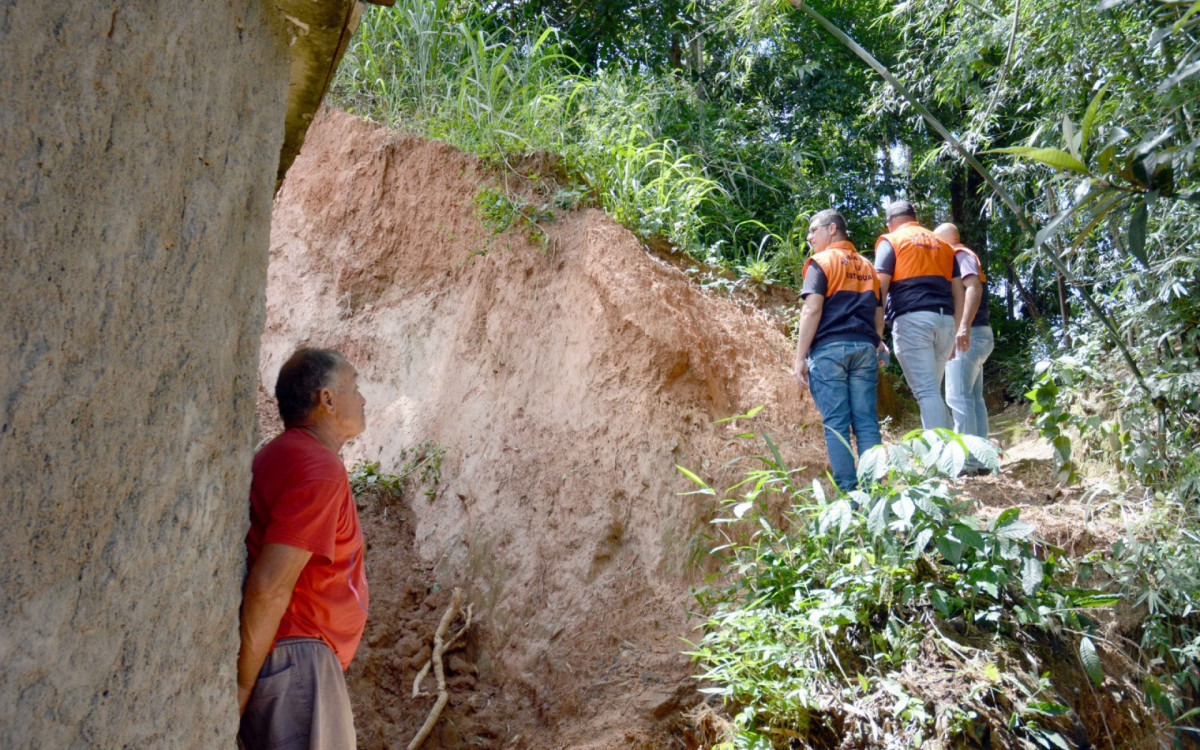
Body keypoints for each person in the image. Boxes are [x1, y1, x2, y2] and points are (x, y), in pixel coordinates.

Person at [238, 347, 370, 750]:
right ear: (326, 399)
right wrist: (238, 690)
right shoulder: (318, 468)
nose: (362, 398)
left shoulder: (279, 456)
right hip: (299, 658)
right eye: (354, 386)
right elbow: (269, 586)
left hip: (288, 660)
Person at [794, 209, 886, 492]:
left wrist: (799, 357)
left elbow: (812, 309)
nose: (809, 237)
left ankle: (849, 494)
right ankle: (874, 492)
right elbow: (879, 311)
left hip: (830, 351)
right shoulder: (868, 267)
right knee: (867, 423)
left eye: (813, 230)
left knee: (836, 424)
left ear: (832, 229)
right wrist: (875, 341)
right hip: (863, 350)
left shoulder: (820, 262)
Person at [874, 201, 966, 431]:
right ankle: (953, 457)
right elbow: (959, 292)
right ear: (915, 218)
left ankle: (942, 462)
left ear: (889, 225)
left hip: (913, 322)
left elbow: (879, 290)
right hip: (945, 322)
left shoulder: (892, 241)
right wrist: (955, 330)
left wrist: (875, 334)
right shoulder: (944, 245)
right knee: (932, 393)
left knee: (926, 393)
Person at [936, 222, 994, 443]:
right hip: (979, 332)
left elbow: (974, 287)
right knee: (972, 398)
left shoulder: (959, 255)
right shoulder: (963, 255)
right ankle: (980, 456)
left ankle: (967, 459)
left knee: (958, 397)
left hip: (970, 334)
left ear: (945, 241)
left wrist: (963, 326)